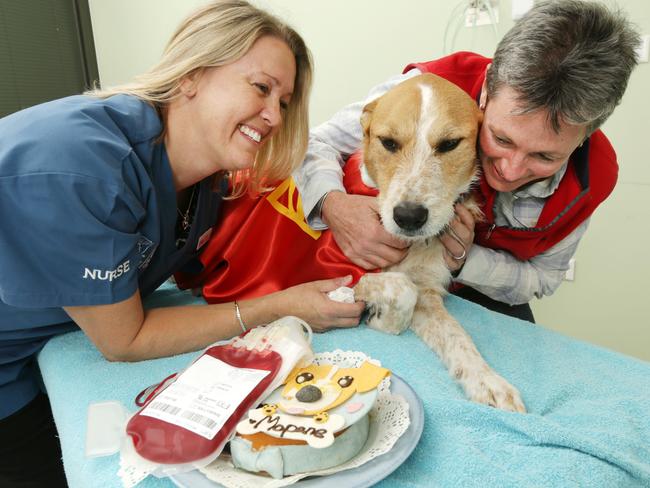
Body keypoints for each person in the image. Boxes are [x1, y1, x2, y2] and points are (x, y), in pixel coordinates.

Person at [0, 1, 364, 486]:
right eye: (261, 87)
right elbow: (123, 340)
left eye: (284, 101)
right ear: (192, 74)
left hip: (30, 353)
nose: (274, 115)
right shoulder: (85, 169)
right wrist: (273, 307)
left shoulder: (208, 183)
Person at [294, 0, 640, 322]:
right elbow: (315, 141)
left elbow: (543, 278)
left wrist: (463, 260)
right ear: (487, 90)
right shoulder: (423, 94)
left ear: (584, 136)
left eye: (545, 156)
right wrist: (332, 205)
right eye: (501, 138)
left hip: (484, 287)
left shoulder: (595, 176)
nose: (511, 169)